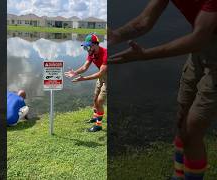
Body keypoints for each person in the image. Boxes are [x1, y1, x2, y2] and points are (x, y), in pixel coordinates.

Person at [108, 0, 217, 179]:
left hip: (203, 44)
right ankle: (178, 176)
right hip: (200, 50)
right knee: (182, 119)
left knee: (193, 128)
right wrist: (115, 35)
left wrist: (144, 55)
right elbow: (143, 21)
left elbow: (198, 38)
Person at [65, 33, 108, 132]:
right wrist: (75, 72)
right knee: (95, 99)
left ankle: (98, 125)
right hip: (101, 78)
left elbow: (100, 73)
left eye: (87, 47)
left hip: (107, 78)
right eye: (85, 47)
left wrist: (84, 79)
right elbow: (85, 67)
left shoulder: (106, 54)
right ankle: (95, 117)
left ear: (95, 45)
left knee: (99, 101)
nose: (86, 49)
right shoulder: (92, 54)